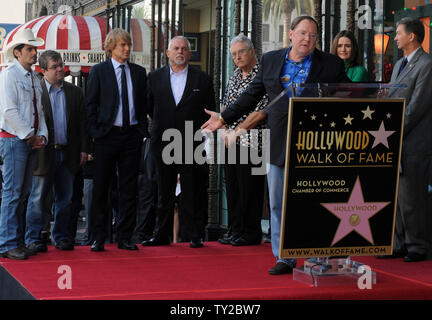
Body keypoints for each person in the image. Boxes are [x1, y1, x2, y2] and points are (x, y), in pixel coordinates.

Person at [202, 16, 349, 274]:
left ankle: (322, 256)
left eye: (313, 35)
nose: (307, 39)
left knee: (317, 202)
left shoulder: (331, 64)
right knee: (279, 204)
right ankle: (285, 257)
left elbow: (349, 95)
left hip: (317, 145)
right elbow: (251, 96)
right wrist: (224, 117)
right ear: (290, 34)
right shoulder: (270, 61)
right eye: (303, 33)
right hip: (280, 143)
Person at [142, 36, 216, 249]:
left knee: (192, 190)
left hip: (191, 142)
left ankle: (194, 235)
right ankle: (161, 235)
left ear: (190, 54)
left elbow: (208, 109)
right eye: (176, 48)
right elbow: (149, 107)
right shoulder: (154, 77)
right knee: (164, 190)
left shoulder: (202, 78)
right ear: (168, 52)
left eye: (184, 48)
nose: (180, 51)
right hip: (163, 141)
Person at [86, 28, 148, 252]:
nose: (127, 49)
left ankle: (124, 237)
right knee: (102, 187)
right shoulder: (99, 71)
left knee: (128, 188)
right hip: (106, 136)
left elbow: (143, 104)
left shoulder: (139, 73)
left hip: (131, 135)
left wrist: (141, 131)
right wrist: (95, 132)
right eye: (123, 45)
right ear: (111, 46)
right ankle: (99, 237)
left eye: (129, 45)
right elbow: (90, 104)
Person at [25, 50, 89, 253]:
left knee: (65, 199)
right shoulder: (35, 92)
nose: (61, 69)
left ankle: (61, 237)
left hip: (68, 153)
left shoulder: (75, 92)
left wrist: (84, 150)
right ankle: (35, 238)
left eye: (61, 65)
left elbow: (82, 125)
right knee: (38, 199)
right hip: (43, 154)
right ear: (43, 71)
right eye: (55, 67)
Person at [385, 17, 432, 262]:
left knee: (412, 196)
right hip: (394, 140)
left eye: (398, 33)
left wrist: (390, 131)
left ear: (411, 36)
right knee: (397, 195)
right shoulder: (399, 65)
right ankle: (398, 243)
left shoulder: (427, 64)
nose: (395, 38)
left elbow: (417, 107)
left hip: (414, 143)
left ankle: (418, 246)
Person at [0, 29, 48, 260]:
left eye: (34, 48)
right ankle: (8, 243)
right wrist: (31, 135)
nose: (34, 52)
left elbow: (39, 111)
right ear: (17, 53)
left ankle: (15, 242)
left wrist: (42, 136)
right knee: (13, 193)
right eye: (29, 49)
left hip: (25, 141)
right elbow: (8, 111)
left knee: (23, 193)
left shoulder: (33, 78)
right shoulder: (9, 75)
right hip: (14, 140)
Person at [217, 33, 267, 246]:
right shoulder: (234, 76)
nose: (237, 57)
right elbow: (227, 106)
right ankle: (235, 229)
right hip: (230, 140)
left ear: (252, 51)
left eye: (241, 52)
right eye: (234, 54)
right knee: (233, 186)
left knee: (250, 188)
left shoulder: (262, 76)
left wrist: (235, 130)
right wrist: (225, 130)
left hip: (255, 138)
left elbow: (259, 110)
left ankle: (250, 232)